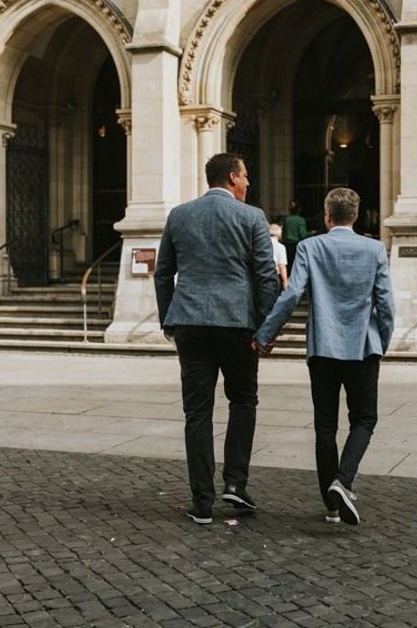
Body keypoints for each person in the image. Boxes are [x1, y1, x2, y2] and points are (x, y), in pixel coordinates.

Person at [253, 187, 394, 526]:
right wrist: (382, 342)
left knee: (325, 427)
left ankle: (331, 506)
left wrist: (265, 333)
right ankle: (343, 481)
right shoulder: (374, 249)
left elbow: (291, 296)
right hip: (363, 347)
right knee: (364, 420)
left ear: (328, 216)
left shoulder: (310, 247)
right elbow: (385, 304)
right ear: (356, 217)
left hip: (323, 349)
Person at [154, 153, 279, 525]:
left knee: (197, 411)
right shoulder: (252, 217)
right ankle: (236, 484)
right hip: (238, 324)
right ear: (231, 177)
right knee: (243, 400)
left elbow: (163, 274)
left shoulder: (179, 215)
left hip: (190, 323)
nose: (248, 183)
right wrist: (266, 328)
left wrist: (168, 320)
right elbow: (266, 277)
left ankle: (202, 501)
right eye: (245, 176)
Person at [281, 200, 310, 269]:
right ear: (299, 209)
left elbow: (283, 233)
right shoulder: (300, 220)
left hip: (286, 246)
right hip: (296, 246)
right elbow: (303, 235)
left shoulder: (285, 219)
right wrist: (312, 233)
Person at [269, 223, 288, 289]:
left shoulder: (261, 245)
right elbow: (281, 266)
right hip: (275, 276)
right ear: (279, 233)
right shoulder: (280, 247)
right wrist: (285, 281)